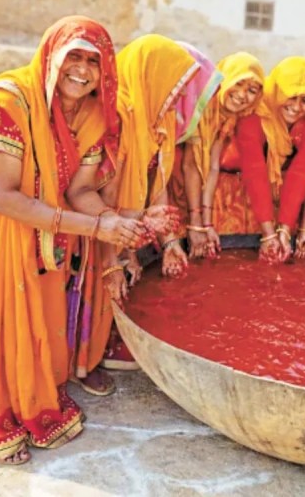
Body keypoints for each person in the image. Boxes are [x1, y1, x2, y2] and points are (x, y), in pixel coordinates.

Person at [0, 16, 149, 464]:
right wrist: (95, 228)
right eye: (74, 56)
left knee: (30, 322)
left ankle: (15, 402)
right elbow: (3, 197)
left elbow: (79, 191)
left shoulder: (90, 115)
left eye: (94, 61)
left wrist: (119, 220)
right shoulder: (7, 103)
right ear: (51, 56)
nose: (82, 70)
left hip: (42, 227)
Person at [97, 35, 199, 369]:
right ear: (151, 76)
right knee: (102, 292)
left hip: (127, 223)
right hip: (101, 223)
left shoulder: (159, 118)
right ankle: (91, 358)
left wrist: (170, 240)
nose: (179, 97)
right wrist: (120, 253)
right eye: (175, 86)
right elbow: (107, 194)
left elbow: (158, 182)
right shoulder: (120, 115)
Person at [236, 56, 305, 263]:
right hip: (244, 195)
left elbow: (301, 173)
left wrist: (285, 231)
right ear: (278, 92)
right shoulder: (254, 113)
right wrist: (269, 235)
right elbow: (255, 171)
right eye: (290, 97)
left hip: (285, 199)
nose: (297, 108)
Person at [196, 52, 265, 247]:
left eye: (252, 90)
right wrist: (201, 221)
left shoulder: (235, 118)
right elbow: (193, 167)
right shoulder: (202, 109)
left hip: (213, 202)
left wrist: (206, 223)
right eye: (237, 83)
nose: (242, 95)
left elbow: (213, 168)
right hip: (188, 195)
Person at [165, 42, 224, 258]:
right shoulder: (143, 112)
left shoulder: (192, 114)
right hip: (148, 202)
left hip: (176, 202)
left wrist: (198, 222)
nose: (184, 93)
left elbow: (192, 165)